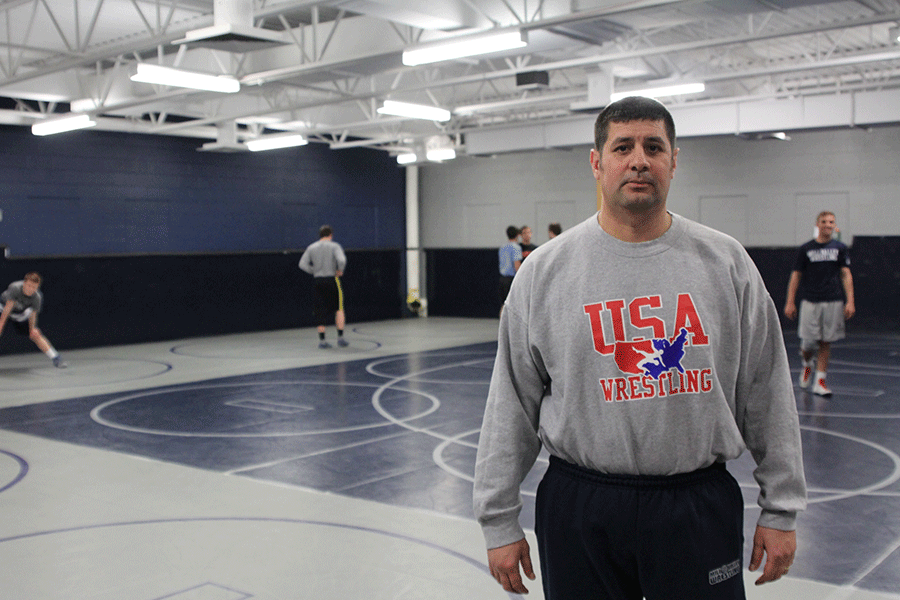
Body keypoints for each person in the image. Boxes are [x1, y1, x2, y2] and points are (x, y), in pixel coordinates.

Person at [473, 96, 806, 599]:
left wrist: (781, 508)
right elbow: (511, 404)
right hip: (581, 504)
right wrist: (498, 520)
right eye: (622, 146)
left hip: (695, 503)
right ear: (597, 162)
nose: (639, 160)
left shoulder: (725, 263)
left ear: (673, 160)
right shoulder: (544, 272)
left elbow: (767, 389)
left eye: (654, 146)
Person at [783, 211, 854, 396]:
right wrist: (790, 301)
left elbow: (846, 274)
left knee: (825, 341)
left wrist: (850, 301)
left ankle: (820, 382)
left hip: (833, 300)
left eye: (831, 222)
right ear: (818, 224)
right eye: (824, 221)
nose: (828, 225)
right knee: (807, 343)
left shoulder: (840, 248)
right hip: (810, 301)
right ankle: (807, 364)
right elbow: (796, 275)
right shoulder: (806, 249)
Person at [0, 272, 67, 368]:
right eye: (29, 286)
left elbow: (33, 315)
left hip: (20, 314)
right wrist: (1, 324)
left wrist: (32, 329)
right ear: (24, 283)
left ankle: (56, 358)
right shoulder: (15, 288)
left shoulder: (37, 297)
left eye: (34, 287)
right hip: (3, 309)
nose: (31, 289)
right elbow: (8, 309)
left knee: (36, 334)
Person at [299, 225, 348, 349]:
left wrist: (314, 271)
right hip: (331, 279)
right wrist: (340, 270)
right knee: (339, 308)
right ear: (330, 235)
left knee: (319, 310)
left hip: (318, 280)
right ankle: (340, 338)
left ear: (320, 235)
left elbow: (302, 264)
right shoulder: (334, 246)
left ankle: (322, 340)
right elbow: (341, 260)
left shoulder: (311, 247)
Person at [498, 225, 522, 311]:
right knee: (513, 306)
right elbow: (517, 265)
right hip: (510, 280)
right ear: (517, 235)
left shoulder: (502, 247)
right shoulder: (516, 247)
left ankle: (502, 323)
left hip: (502, 279)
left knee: (503, 305)